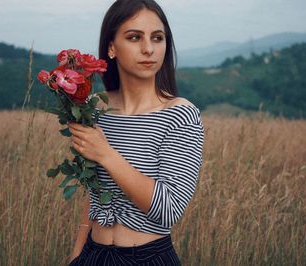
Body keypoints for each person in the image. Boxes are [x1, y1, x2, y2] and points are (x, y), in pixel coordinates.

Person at [67, 0, 204, 265]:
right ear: (111, 47)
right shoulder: (96, 108)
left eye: (157, 37)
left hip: (146, 257)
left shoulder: (180, 115)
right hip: (92, 255)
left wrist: (106, 154)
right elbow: (95, 189)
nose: (148, 49)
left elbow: (168, 210)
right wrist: (77, 253)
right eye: (134, 37)